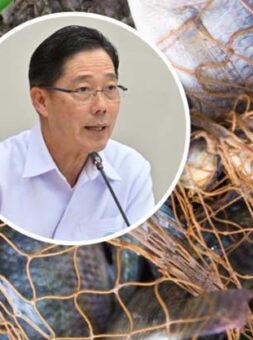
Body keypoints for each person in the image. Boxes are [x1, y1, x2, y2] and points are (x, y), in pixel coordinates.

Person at [0, 25, 154, 241]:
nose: (101, 107)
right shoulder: (4, 170)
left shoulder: (132, 170)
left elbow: (142, 251)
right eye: (83, 90)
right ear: (41, 101)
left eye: (110, 88)